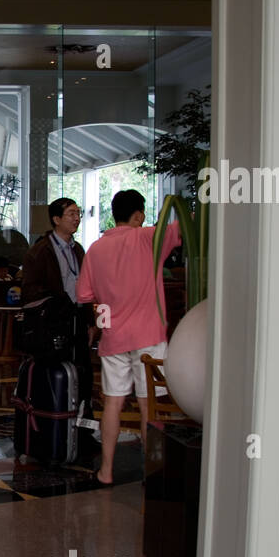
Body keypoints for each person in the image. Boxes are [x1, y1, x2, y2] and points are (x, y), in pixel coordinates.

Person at [76, 189, 180, 485]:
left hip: (114, 340)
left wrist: (106, 320)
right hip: (150, 338)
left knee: (113, 404)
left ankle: (106, 471)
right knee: (150, 407)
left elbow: (86, 296)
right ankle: (153, 473)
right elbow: (181, 227)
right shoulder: (149, 238)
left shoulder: (95, 249)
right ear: (137, 215)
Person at [21, 197, 94, 404]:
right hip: (53, 321)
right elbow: (30, 292)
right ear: (56, 219)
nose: (77, 218)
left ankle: (80, 423)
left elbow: (86, 286)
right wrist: (56, 301)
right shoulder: (40, 251)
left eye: (78, 213)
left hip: (77, 316)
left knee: (83, 371)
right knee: (55, 370)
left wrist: (90, 321)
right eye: (71, 214)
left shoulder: (78, 249)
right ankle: (54, 418)